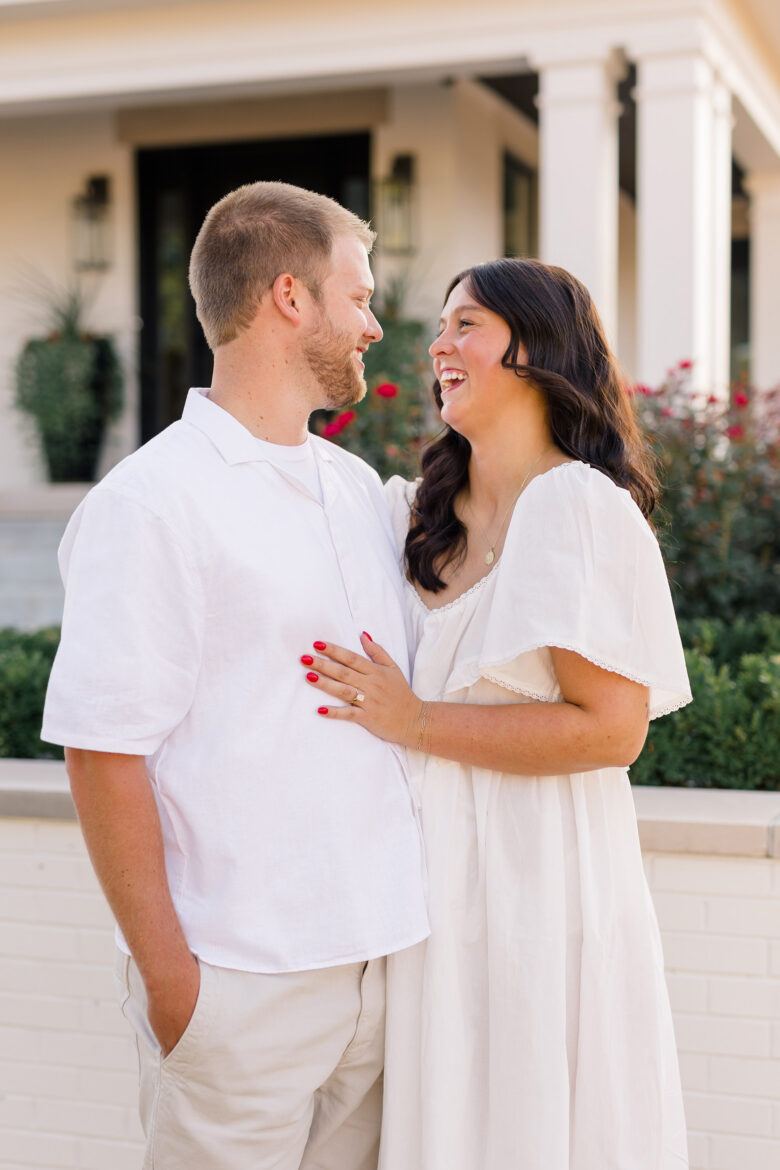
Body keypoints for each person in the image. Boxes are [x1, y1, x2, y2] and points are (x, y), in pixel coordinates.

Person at [41, 181, 429, 1170]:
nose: (375, 324)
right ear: (291, 298)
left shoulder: (353, 490)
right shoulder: (154, 504)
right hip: (238, 986)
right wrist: (181, 994)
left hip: (381, 969)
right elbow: (102, 753)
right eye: (359, 296)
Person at [302, 258, 692, 1169]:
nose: (439, 345)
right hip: (429, 904)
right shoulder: (412, 514)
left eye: (466, 324)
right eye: (441, 327)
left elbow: (610, 729)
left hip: (536, 892)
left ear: (536, 348)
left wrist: (418, 721)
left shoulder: (576, 505)